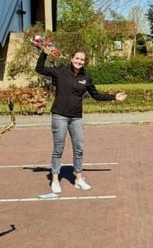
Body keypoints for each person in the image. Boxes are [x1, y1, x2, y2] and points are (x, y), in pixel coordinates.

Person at [36, 47, 127, 193]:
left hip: (76, 118)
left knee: (79, 148)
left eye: (82, 59)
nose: (79, 61)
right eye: (77, 58)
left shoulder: (86, 77)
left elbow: (96, 95)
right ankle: (55, 180)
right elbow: (39, 68)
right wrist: (44, 53)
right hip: (59, 115)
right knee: (58, 149)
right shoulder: (60, 71)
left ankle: (78, 178)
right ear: (71, 59)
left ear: (84, 62)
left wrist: (114, 97)